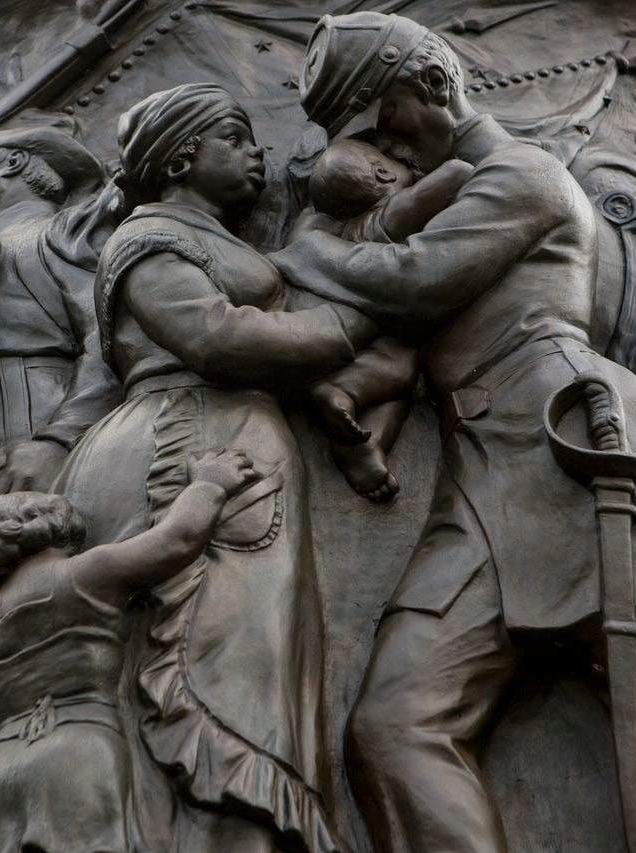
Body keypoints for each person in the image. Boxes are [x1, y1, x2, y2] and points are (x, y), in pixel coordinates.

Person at [270, 13, 636, 852]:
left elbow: (414, 286)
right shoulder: (448, 192)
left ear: (432, 85)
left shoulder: (521, 175)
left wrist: (299, 250)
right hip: (485, 461)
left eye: (385, 120)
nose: (386, 146)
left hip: (576, 437)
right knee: (395, 723)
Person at [56, 82, 378, 853]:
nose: (255, 150)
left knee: (256, 668)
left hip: (234, 443)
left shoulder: (210, 238)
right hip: (187, 444)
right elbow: (217, 337)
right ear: (178, 156)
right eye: (234, 135)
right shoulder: (148, 238)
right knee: (215, 672)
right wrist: (353, 319)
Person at [0, 449, 259, 853]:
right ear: (49, 525)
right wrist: (210, 483)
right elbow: (176, 539)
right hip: (76, 749)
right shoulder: (86, 573)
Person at [0, 109, 122, 505]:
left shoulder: (60, 234)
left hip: (22, 439)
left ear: (13, 161)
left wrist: (59, 439)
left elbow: (112, 333)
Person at [295, 139, 472, 499]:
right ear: (381, 172)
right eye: (392, 160)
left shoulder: (318, 227)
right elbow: (459, 173)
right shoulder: (384, 219)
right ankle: (343, 389)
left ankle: (365, 446)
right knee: (402, 367)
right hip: (359, 328)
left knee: (396, 389)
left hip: (312, 317)